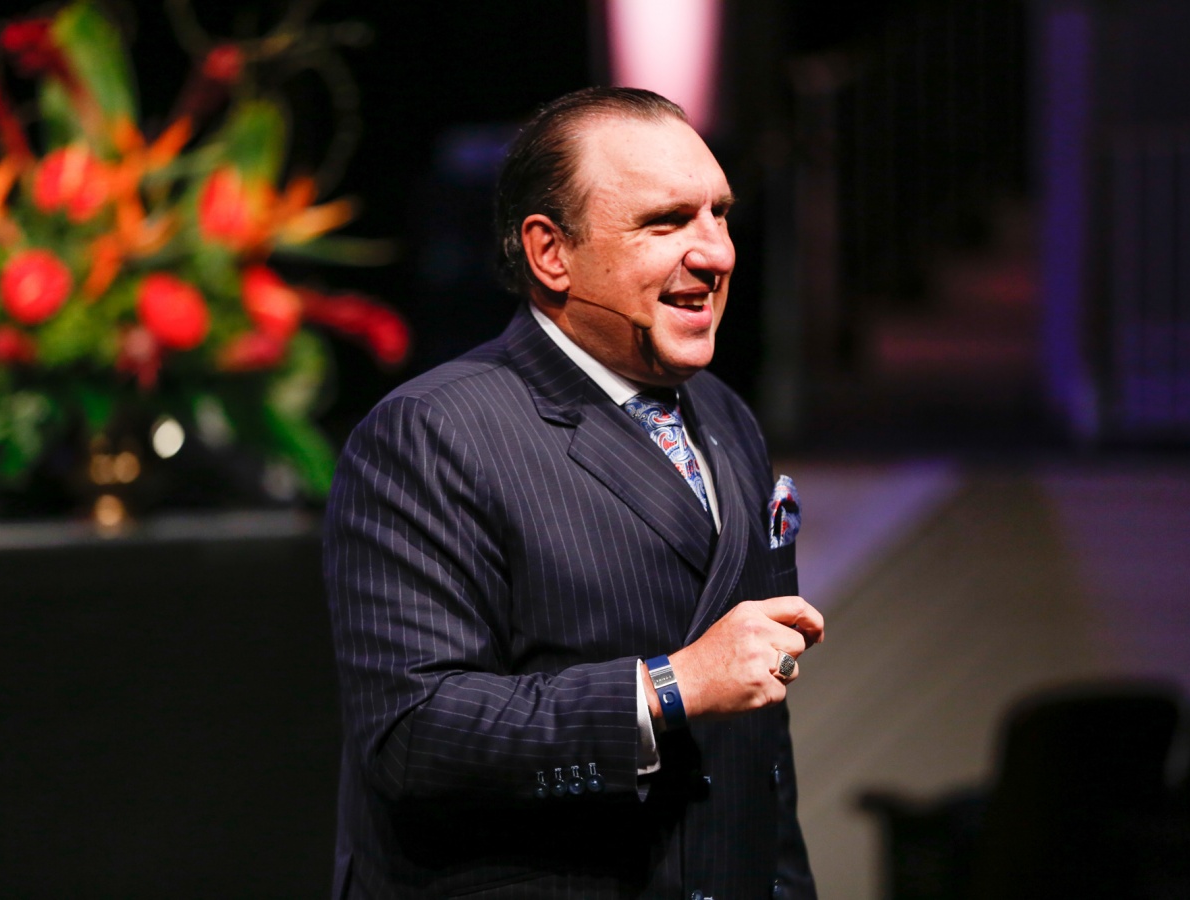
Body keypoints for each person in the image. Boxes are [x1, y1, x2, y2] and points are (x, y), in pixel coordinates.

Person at [324, 86, 823, 899]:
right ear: (551, 253)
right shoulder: (431, 433)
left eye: (720, 215)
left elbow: (758, 749)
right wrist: (670, 687)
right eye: (666, 222)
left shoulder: (728, 416)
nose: (716, 253)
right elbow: (413, 738)